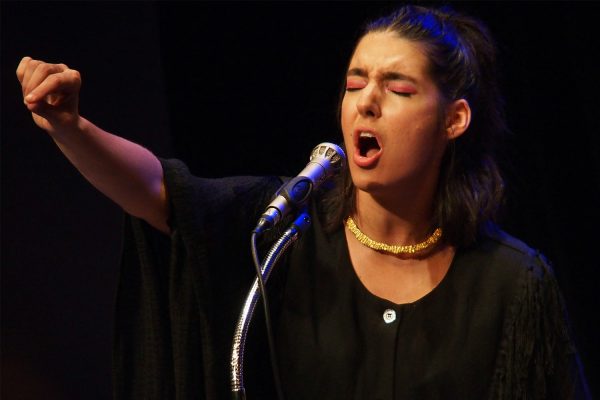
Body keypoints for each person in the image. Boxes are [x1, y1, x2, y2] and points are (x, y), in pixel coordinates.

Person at [16, 4, 590, 399]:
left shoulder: (513, 283)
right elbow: (159, 192)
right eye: (355, 82)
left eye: (398, 88)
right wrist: (70, 126)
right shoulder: (284, 237)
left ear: (454, 119)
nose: (366, 102)